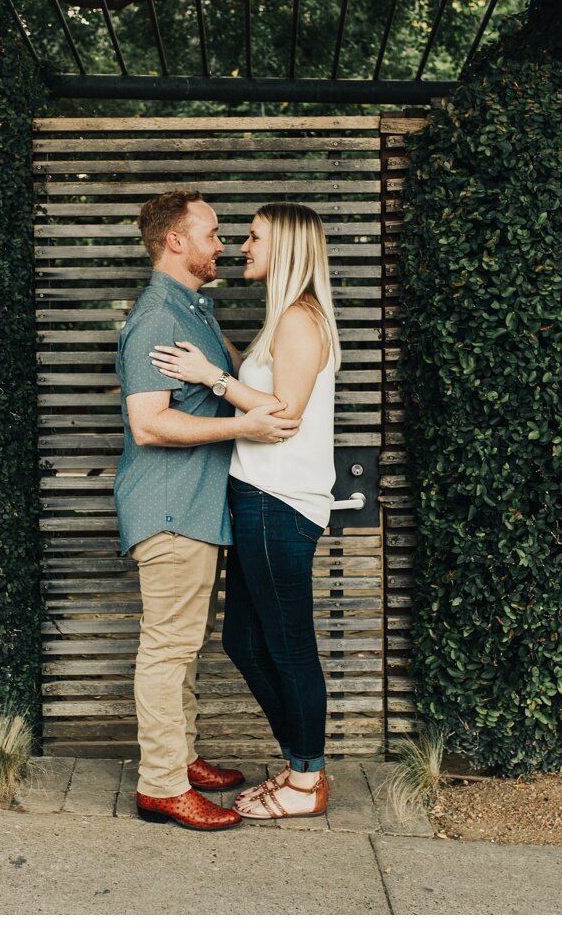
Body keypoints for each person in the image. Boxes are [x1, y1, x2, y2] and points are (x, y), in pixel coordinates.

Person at [116, 189, 301, 832]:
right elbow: (149, 424)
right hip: (169, 510)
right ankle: (162, 785)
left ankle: (181, 757)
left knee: (182, 647)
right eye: (212, 232)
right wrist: (244, 428)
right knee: (167, 649)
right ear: (176, 240)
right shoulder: (158, 317)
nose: (222, 244)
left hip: (194, 509)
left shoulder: (191, 308)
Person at [149, 202, 339, 820]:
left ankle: (306, 780)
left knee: (288, 646)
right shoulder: (280, 321)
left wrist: (212, 378)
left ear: (283, 246)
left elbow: (283, 416)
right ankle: (299, 763)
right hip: (257, 499)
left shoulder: (300, 321)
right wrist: (213, 350)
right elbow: (262, 382)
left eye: (254, 237)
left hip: (278, 502)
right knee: (243, 641)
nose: (241, 246)